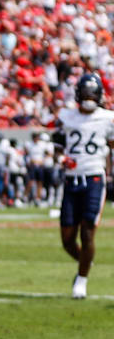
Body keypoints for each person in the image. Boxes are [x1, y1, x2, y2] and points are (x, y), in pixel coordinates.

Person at [53, 74, 114, 299]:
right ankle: (86, 262)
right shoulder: (66, 116)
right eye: (85, 93)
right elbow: (57, 146)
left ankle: (81, 280)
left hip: (94, 179)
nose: (89, 97)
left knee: (88, 233)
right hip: (71, 179)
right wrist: (61, 159)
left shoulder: (107, 118)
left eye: (92, 93)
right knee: (68, 239)